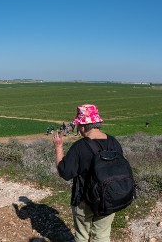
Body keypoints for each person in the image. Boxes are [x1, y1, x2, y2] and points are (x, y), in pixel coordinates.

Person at [53, 104, 123, 242]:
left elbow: (64, 173)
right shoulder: (114, 142)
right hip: (110, 198)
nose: (78, 129)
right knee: (102, 236)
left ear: (83, 126)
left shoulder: (80, 147)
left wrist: (58, 147)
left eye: (79, 125)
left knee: (82, 236)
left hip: (85, 200)